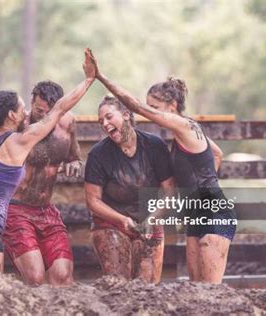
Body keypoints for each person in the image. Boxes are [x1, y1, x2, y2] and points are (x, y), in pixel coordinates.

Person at [88, 49, 236, 284]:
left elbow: (135, 107)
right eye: (150, 107)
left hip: (213, 211)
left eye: (155, 107)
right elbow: (216, 153)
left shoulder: (186, 127)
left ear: (172, 106)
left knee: (211, 293)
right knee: (196, 290)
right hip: (196, 213)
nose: (151, 113)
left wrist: (101, 77)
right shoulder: (184, 135)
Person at [0, 49, 96, 272]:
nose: (25, 113)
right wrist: (89, 79)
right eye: (22, 108)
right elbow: (61, 108)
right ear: (11, 115)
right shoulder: (21, 141)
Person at [84, 95, 175, 284]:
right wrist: (122, 220)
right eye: (101, 121)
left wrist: (152, 219)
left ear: (126, 115)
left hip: (149, 219)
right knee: (119, 284)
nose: (105, 124)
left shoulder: (154, 145)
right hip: (111, 222)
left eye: (109, 117)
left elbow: (170, 191)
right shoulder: (98, 154)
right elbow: (93, 201)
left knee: (147, 287)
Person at [2, 80, 83, 286]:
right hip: (17, 209)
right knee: (36, 277)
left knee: (63, 276)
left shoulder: (67, 123)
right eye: (39, 110)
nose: (44, 117)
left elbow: (74, 157)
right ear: (31, 102)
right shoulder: (20, 127)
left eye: (50, 112)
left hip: (46, 210)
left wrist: (74, 163)